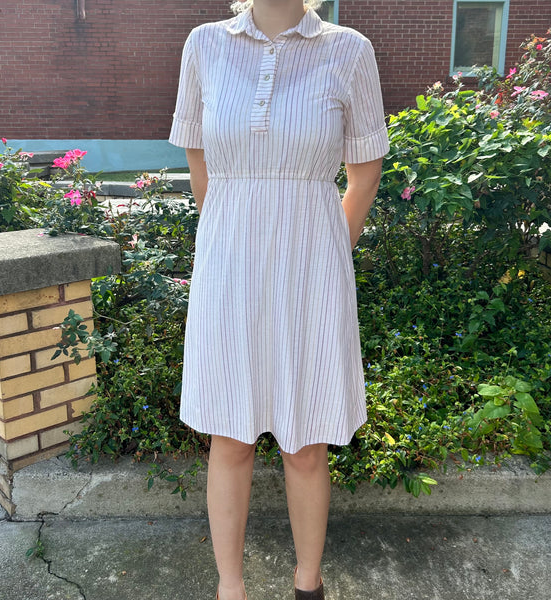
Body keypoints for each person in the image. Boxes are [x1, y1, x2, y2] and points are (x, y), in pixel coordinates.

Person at [168, 1, 389, 598]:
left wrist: (322, 254)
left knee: (306, 440)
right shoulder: (204, 45)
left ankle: (307, 583)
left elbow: (364, 171)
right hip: (229, 271)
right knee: (229, 437)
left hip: (313, 269)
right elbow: (199, 161)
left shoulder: (349, 50)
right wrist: (233, 245)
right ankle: (230, 587)